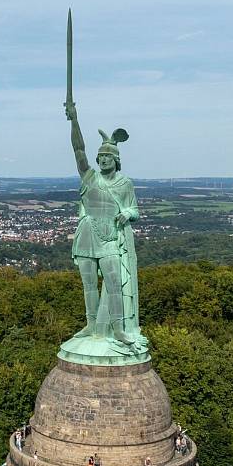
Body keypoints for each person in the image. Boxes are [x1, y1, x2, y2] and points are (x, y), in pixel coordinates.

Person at [65, 102, 142, 347]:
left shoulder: (125, 183)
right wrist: (74, 120)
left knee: (114, 283)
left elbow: (135, 210)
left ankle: (118, 328)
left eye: (109, 156)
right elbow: (78, 149)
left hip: (109, 237)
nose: (104, 159)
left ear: (117, 160)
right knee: (88, 285)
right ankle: (90, 324)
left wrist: (127, 214)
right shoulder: (90, 177)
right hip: (87, 234)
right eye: (101, 156)